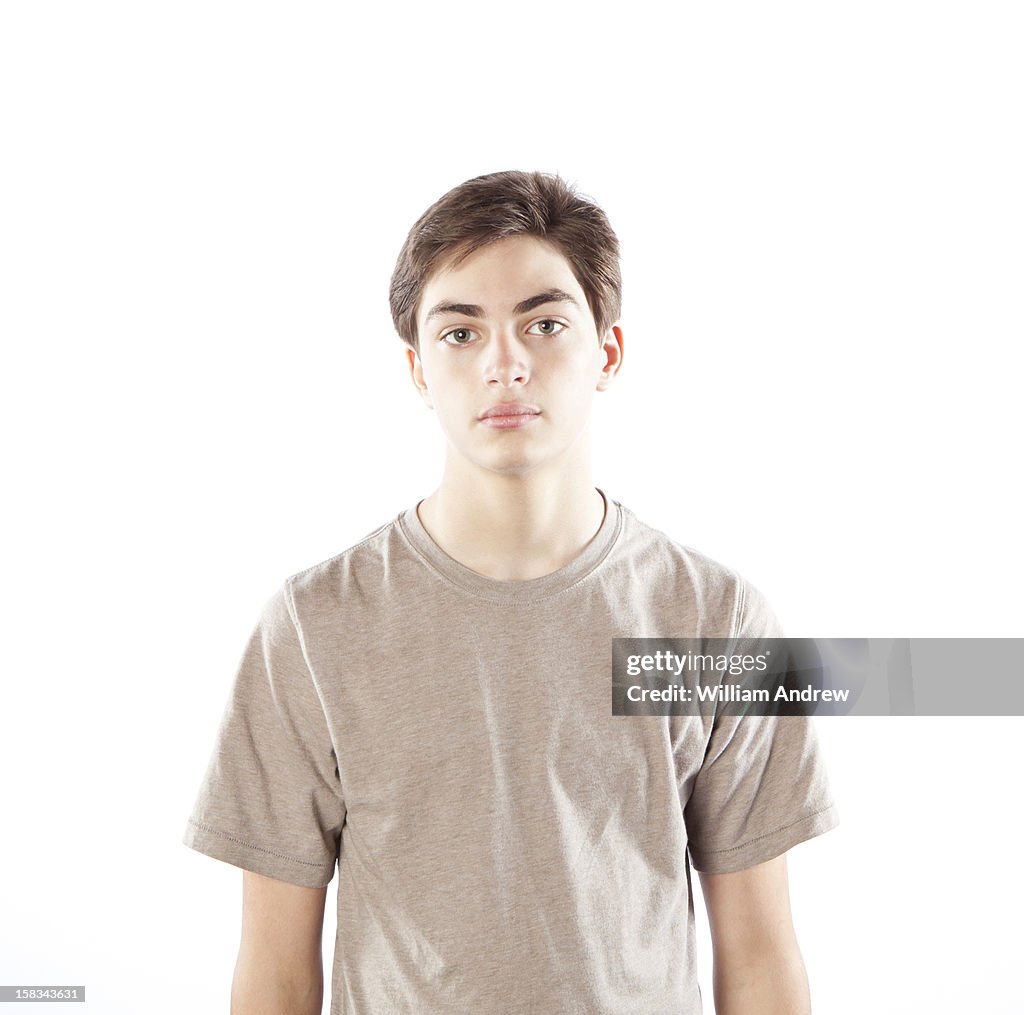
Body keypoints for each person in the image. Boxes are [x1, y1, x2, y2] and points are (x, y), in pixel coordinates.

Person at [182, 169, 839, 1015]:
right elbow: (274, 970)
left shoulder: (716, 620)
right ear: (418, 369)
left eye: (545, 322)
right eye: (461, 332)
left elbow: (759, 958)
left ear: (607, 352)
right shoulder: (314, 626)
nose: (505, 362)